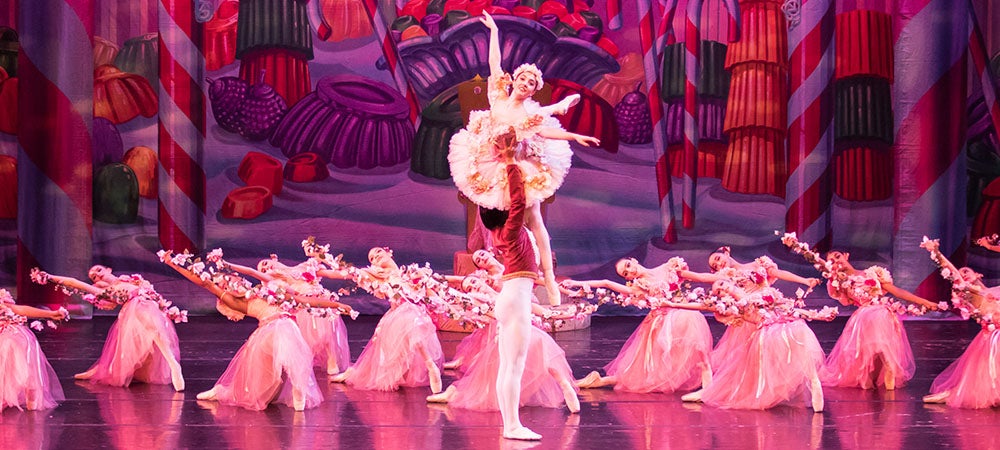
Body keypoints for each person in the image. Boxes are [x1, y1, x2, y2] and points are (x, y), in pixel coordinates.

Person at [448, 11, 600, 307]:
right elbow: (494, 64)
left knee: (535, 221)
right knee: (495, 220)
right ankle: (503, 274)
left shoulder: (529, 112)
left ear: (533, 90)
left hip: (519, 166)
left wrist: (573, 136)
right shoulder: (498, 97)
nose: (525, 83)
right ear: (514, 80)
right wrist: (493, 31)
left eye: (531, 83)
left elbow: (542, 128)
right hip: (492, 164)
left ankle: (550, 280)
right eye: (522, 78)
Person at [161, 250, 325, 411]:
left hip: (285, 325)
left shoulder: (261, 291)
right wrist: (173, 264)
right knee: (257, 390)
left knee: (289, 346)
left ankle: (299, 388)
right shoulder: (236, 302)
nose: (234, 283)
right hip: (267, 332)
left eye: (236, 280)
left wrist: (338, 306)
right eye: (227, 284)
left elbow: (297, 297)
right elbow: (204, 282)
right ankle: (222, 392)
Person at [428, 274, 585, 414]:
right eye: (469, 288)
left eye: (474, 282)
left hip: (525, 330)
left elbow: (532, 307)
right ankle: (454, 393)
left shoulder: (505, 290)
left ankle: (564, 385)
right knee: (489, 383)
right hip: (504, 336)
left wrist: (560, 314)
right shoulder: (475, 301)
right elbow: (492, 313)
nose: (474, 286)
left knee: (542, 346)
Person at [562, 256, 716, 394]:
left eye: (628, 266)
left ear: (634, 260)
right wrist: (576, 282)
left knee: (691, 327)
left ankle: (705, 374)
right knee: (651, 369)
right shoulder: (638, 287)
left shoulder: (669, 267)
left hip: (681, 314)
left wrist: (724, 280)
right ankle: (602, 381)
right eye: (625, 274)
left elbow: (700, 277)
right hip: (660, 322)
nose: (630, 271)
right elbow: (606, 283)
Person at [32, 265, 185, 391]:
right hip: (135, 308)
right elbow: (73, 282)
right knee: (148, 321)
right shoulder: (104, 292)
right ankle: (172, 363)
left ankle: (171, 362)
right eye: (93, 277)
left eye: (98, 271)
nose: (97, 276)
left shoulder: (132, 279)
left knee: (156, 330)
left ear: (108, 269)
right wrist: (50, 277)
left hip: (150, 305)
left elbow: (152, 293)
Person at [808, 248, 936, 390]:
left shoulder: (873, 272)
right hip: (864, 316)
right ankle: (873, 376)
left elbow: (897, 291)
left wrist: (924, 302)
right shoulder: (838, 281)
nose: (837, 261)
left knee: (881, 325)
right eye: (832, 261)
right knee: (869, 359)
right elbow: (842, 298)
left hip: (882, 313)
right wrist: (833, 275)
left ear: (846, 255)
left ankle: (889, 367)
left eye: (838, 257)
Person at [327, 247, 445, 394]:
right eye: (372, 258)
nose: (376, 257)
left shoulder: (409, 272)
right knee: (409, 314)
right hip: (399, 316)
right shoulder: (378, 275)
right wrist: (321, 258)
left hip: (417, 314)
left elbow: (433, 287)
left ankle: (428, 364)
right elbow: (347, 273)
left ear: (388, 252)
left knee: (413, 316)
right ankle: (430, 364)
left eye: (378, 252)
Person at [222, 255, 351, 375]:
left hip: (319, 298)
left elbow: (327, 268)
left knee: (327, 330)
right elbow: (251, 272)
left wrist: (350, 273)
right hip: (302, 306)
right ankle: (306, 365)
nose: (266, 267)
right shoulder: (276, 281)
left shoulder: (304, 266)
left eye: (265, 263)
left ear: (274, 259)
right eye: (263, 269)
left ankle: (332, 359)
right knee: (312, 336)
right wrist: (228, 265)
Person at [921, 238, 1000, 408]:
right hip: (993, 339)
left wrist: (990, 247)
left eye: (967, 271)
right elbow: (952, 272)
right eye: (962, 273)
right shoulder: (975, 293)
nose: (964, 273)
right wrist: (936, 252)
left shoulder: (990, 291)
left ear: (978, 275)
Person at [0, 289, 67, 411]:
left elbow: (19, 309)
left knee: (9, 344)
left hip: (10, 332)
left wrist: (50, 314)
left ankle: (29, 384)